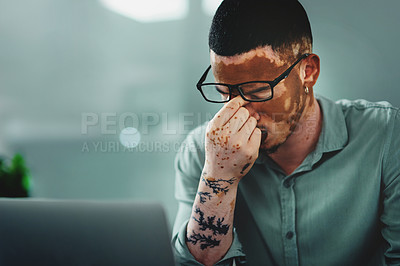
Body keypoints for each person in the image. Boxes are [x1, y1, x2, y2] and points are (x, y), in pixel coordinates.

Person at [172, 0, 400, 265]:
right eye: (225, 93)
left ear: (308, 71)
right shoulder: (204, 153)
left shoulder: (385, 136)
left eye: (256, 92)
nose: (238, 112)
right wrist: (218, 178)